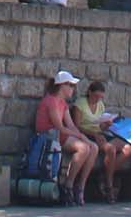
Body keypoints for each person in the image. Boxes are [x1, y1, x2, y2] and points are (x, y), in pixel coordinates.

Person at [34, 69, 97, 206]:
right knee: (84, 148)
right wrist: (81, 137)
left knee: (94, 147)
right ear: (62, 86)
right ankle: (68, 185)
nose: (73, 89)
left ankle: (80, 187)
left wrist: (83, 137)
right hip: (50, 137)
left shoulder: (63, 104)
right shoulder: (51, 101)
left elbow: (70, 125)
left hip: (60, 135)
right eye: (71, 85)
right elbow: (59, 127)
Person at [73, 80, 131, 201]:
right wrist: (94, 133)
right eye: (96, 96)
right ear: (89, 92)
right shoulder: (80, 104)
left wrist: (106, 125)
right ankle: (109, 185)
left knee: (128, 148)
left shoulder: (100, 105)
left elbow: (100, 125)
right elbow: (77, 126)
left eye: (100, 97)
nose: (97, 99)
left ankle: (106, 174)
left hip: (100, 132)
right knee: (110, 149)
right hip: (87, 134)